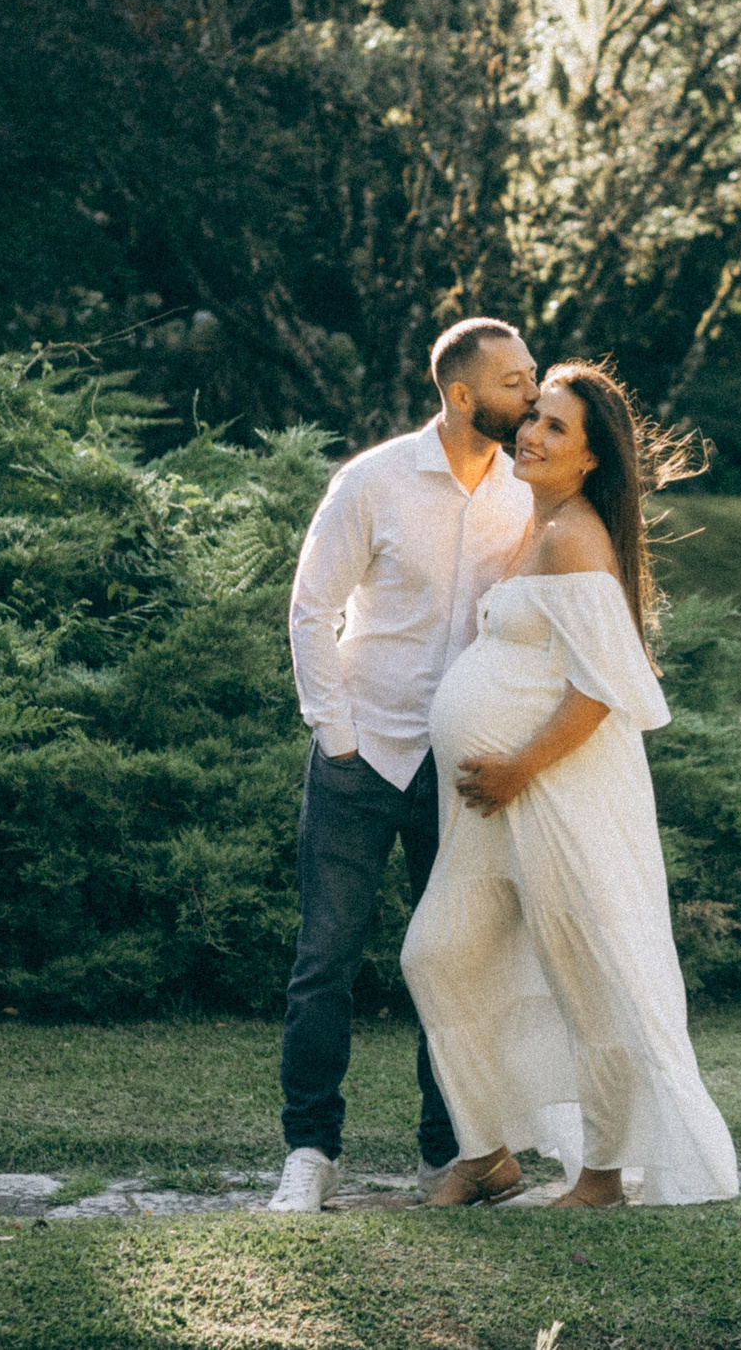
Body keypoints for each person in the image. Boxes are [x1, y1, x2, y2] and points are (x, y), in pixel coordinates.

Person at [401, 361, 741, 1209]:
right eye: (534, 417)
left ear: (590, 457)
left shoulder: (576, 535)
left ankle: (602, 1175)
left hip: (556, 793)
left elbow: (603, 686)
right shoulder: (535, 523)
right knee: (437, 954)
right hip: (492, 804)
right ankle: (486, 1155)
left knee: (592, 976)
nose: (532, 433)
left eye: (556, 426)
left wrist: (518, 765)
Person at [267, 318, 541, 1213]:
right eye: (513, 380)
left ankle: (444, 1155)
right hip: (363, 756)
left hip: (463, 769)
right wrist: (337, 737)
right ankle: (311, 1151)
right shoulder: (373, 481)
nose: (532, 393)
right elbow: (312, 609)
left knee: (452, 963)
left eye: (532, 375)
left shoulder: (525, 490)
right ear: (461, 394)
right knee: (326, 961)